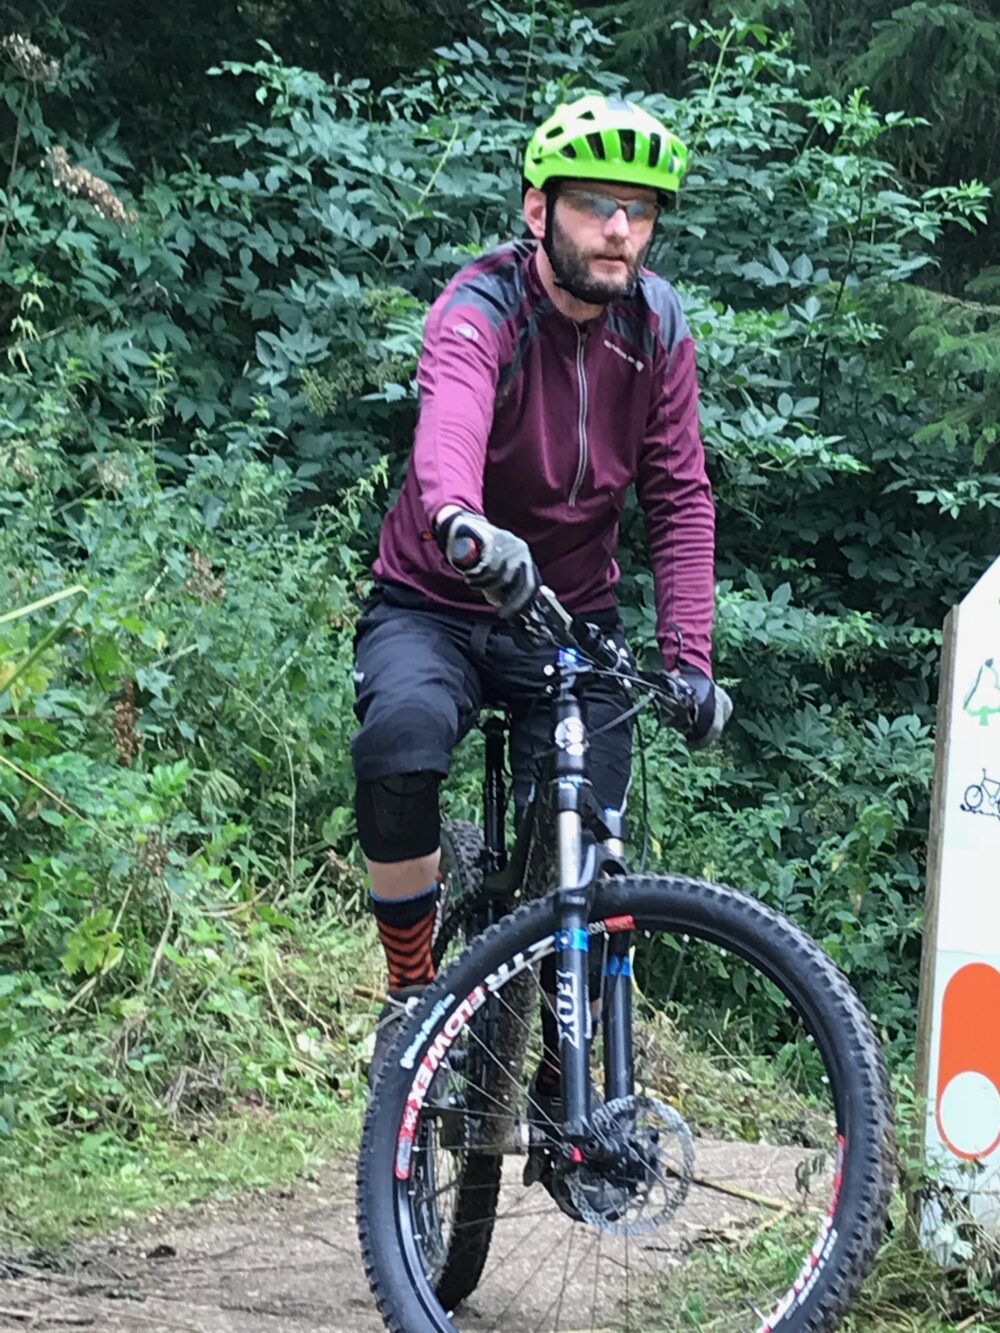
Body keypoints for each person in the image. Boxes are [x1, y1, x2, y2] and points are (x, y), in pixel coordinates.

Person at [352, 94, 727, 1088]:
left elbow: (680, 494)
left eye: (640, 210)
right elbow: (450, 429)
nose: (620, 227)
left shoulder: (655, 329)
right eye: (597, 203)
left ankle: (579, 1086)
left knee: (597, 844)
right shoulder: (482, 306)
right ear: (537, 211)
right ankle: (409, 991)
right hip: (438, 601)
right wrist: (463, 525)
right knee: (399, 743)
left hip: (569, 620)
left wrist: (689, 658)